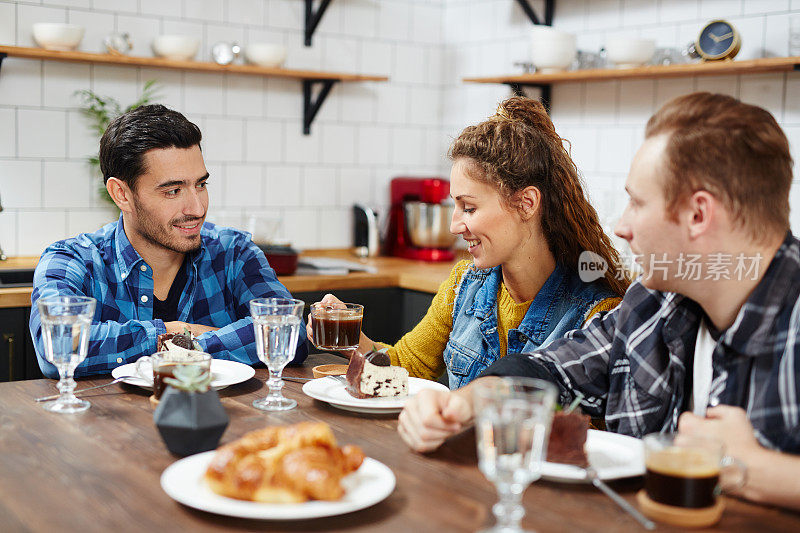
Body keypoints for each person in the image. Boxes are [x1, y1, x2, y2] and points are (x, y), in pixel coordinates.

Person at [397, 92, 800, 509]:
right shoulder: (655, 305)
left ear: (698, 215)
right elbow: (551, 368)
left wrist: (745, 468)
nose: (622, 226)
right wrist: (463, 403)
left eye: (638, 203)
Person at [309, 97, 627, 388]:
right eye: (455, 206)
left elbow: (590, 435)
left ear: (527, 204)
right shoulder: (463, 284)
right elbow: (407, 367)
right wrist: (349, 338)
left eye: (469, 208)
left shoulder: (594, 315)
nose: (454, 225)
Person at [30, 104, 307, 378]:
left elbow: (290, 334)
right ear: (121, 194)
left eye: (200, 185)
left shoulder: (234, 252)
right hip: (112, 420)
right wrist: (174, 332)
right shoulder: (72, 259)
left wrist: (191, 343)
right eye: (173, 191)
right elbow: (59, 345)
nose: (197, 208)